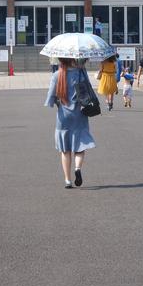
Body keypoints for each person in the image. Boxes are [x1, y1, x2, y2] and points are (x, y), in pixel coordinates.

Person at [45, 58, 96, 189]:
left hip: (63, 116)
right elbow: (88, 90)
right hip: (79, 114)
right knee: (80, 147)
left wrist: (57, 101)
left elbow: (50, 98)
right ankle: (77, 168)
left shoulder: (57, 75)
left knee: (65, 150)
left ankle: (68, 180)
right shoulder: (81, 73)